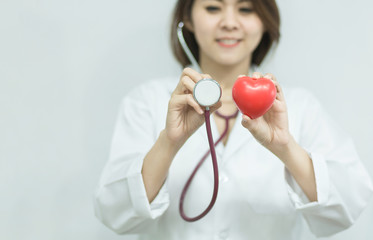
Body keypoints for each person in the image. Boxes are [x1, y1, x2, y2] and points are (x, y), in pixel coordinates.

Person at [93, 0, 373, 239]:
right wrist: (169, 142)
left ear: (265, 21)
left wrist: (286, 148)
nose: (229, 22)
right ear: (187, 19)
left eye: (246, 9)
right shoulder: (148, 101)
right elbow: (114, 211)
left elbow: (347, 205)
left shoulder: (301, 106)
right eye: (213, 7)